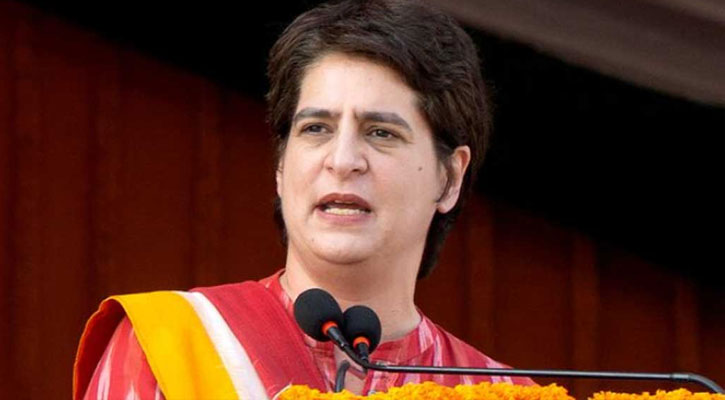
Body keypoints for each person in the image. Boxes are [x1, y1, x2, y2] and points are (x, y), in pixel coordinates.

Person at [73, 1, 535, 399]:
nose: (343, 160)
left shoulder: (499, 392)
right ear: (280, 168)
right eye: (316, 128)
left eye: (381, 133)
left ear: (449, 178)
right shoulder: (173, 344)